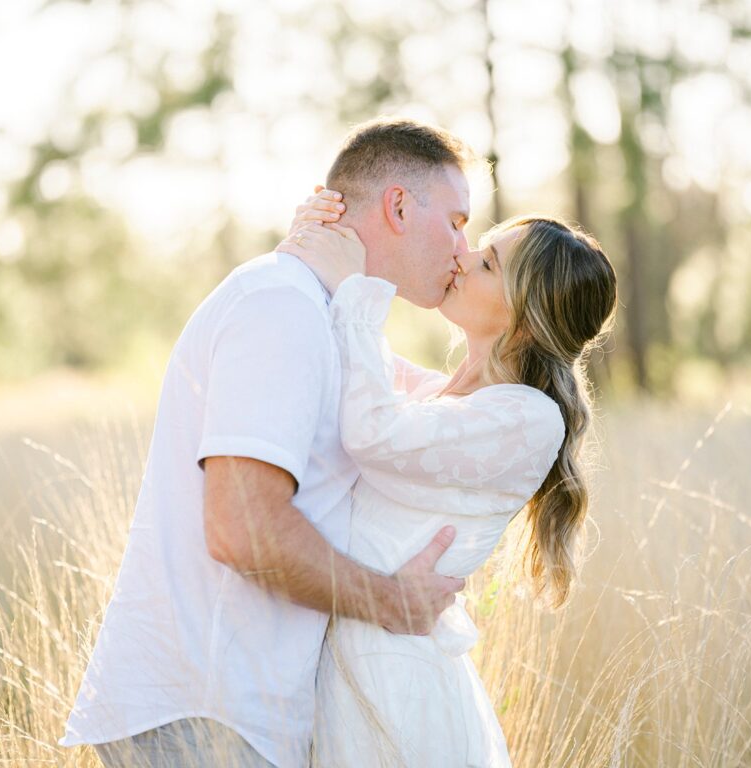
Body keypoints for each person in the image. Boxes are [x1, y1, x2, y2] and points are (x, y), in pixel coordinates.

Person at [59, 117, 482, 768]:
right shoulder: (280, 307)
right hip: (203, 715)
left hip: (236, 718)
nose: (462, 246)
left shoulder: (329, 316)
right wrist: (392, 600)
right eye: (456, 221)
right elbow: (241, 527)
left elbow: (455, 412)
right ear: (398, 205)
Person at [277, 196, 618, 766]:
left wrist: (355, 286)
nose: (462, 256)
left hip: (394, 682)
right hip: (350, 658)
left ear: (527, 318)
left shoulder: (527, 419)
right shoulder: (447, 396)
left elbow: (372, 432)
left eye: (488, 263)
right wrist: (324, 244)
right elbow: (364, 365)